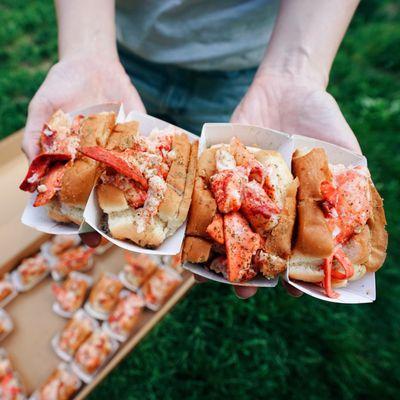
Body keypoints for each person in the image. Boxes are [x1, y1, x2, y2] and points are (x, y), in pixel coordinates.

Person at [22, 0, 360, 298]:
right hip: (118, 44)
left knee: (206, 196)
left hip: (253, 65)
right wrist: (86, 51)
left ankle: (163, 272)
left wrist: (296, 72)